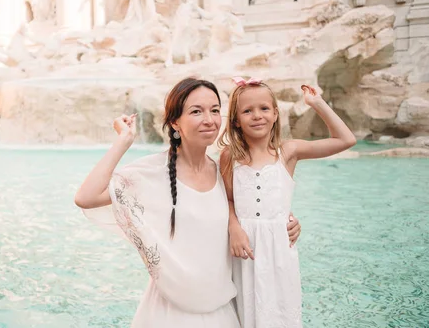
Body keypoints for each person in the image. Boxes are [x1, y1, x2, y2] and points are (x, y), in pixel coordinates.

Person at [75, 77, 302, 327]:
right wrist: (124, 141)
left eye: (215, 110)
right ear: (175, 122)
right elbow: (86, 198)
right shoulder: (153, 172)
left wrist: (287, 222)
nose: (209, 119)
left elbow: (257, 211)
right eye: (196, 111)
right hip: (169, 314)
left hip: (221, 313)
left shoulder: (223, 171)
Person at [219, 77, 356, 328]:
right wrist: (234, 228)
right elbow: (226, 199)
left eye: (264, 108)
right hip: (243, 250)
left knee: (279, 314)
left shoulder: (288, 151)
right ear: (236, 120)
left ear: (275, 114)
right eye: (247, 111)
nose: (257, 115)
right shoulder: (230, 156)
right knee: (245, 314)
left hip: (279, 250)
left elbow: (346, 140)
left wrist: (317, 103)